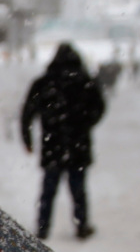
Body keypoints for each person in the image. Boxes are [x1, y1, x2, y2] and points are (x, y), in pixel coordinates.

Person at [19, 44, 107, 240]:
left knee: (48, 190)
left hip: (53, 145)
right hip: (78, 145)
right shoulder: (85, 82)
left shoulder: (44, 83)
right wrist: (85, 123)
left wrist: (27, 138)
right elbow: (99, 107)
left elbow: (27, 112)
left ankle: (43, 227)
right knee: (78, 190)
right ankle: (82, 225)